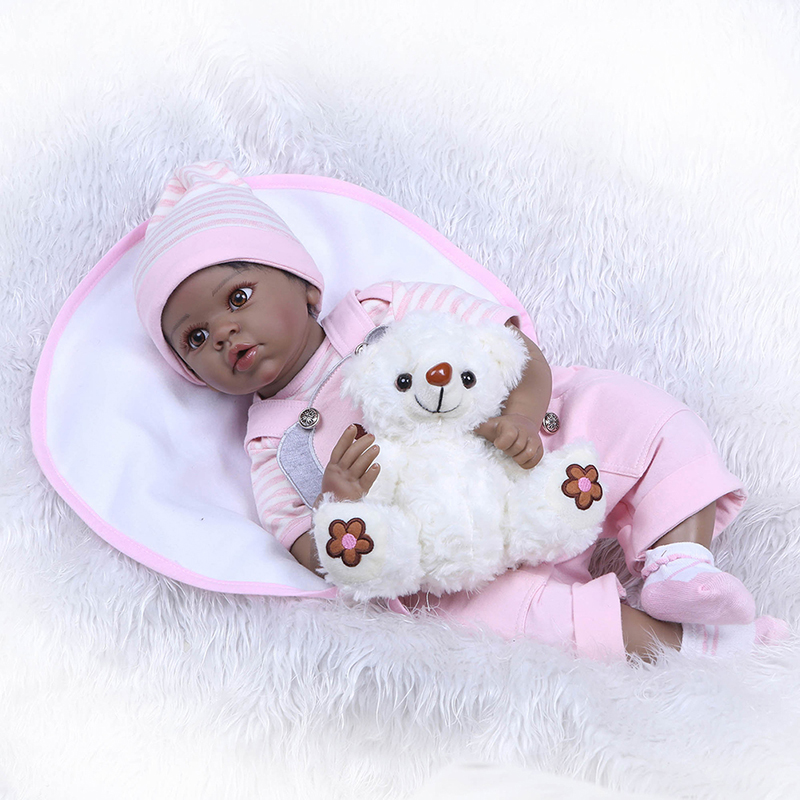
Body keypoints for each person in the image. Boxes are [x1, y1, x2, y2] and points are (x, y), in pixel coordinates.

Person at [135, 161, 786, 663]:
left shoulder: (382, 309)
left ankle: (679, 564)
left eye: (238, 297)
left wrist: (523, 416)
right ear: (192, 372)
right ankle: (692, 647)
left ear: (305, 287)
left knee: (640, 414)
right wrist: (338, 505)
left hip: (540, 459)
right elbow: (303, 543)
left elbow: (513, 350)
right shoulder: (273, 438)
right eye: (195, 338)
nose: (224, 332)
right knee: (494, 620)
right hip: (454, 558)